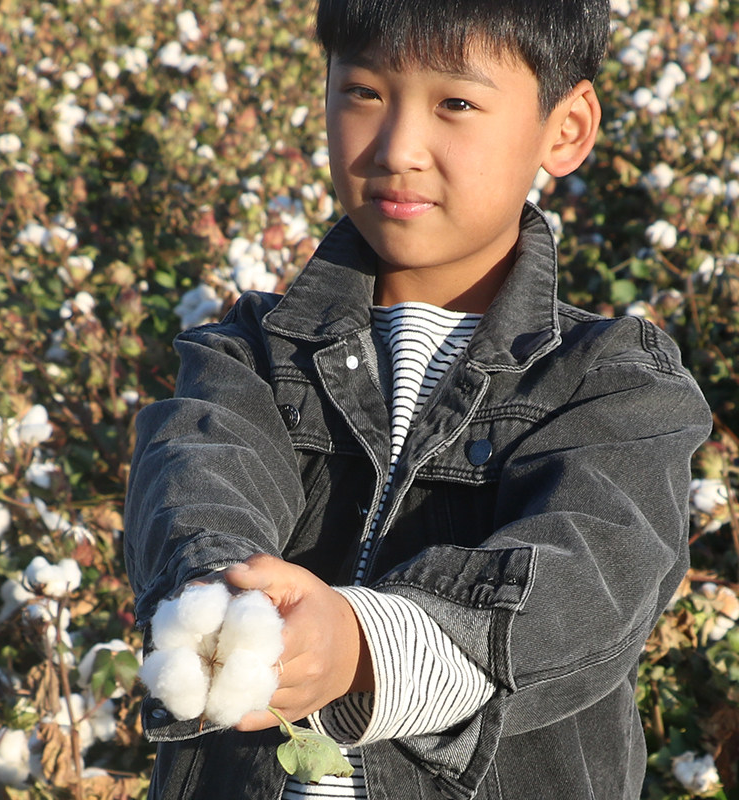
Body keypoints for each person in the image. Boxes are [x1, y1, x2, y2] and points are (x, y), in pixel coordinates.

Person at [124, 0, 712, 797]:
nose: (398, 149)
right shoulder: (248, 354)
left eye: (456, 104)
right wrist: (226, 594)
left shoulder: (613, 384)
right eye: (363, 91)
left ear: (566, 128)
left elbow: (588, 584)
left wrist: (360, 644)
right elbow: (203, 477)